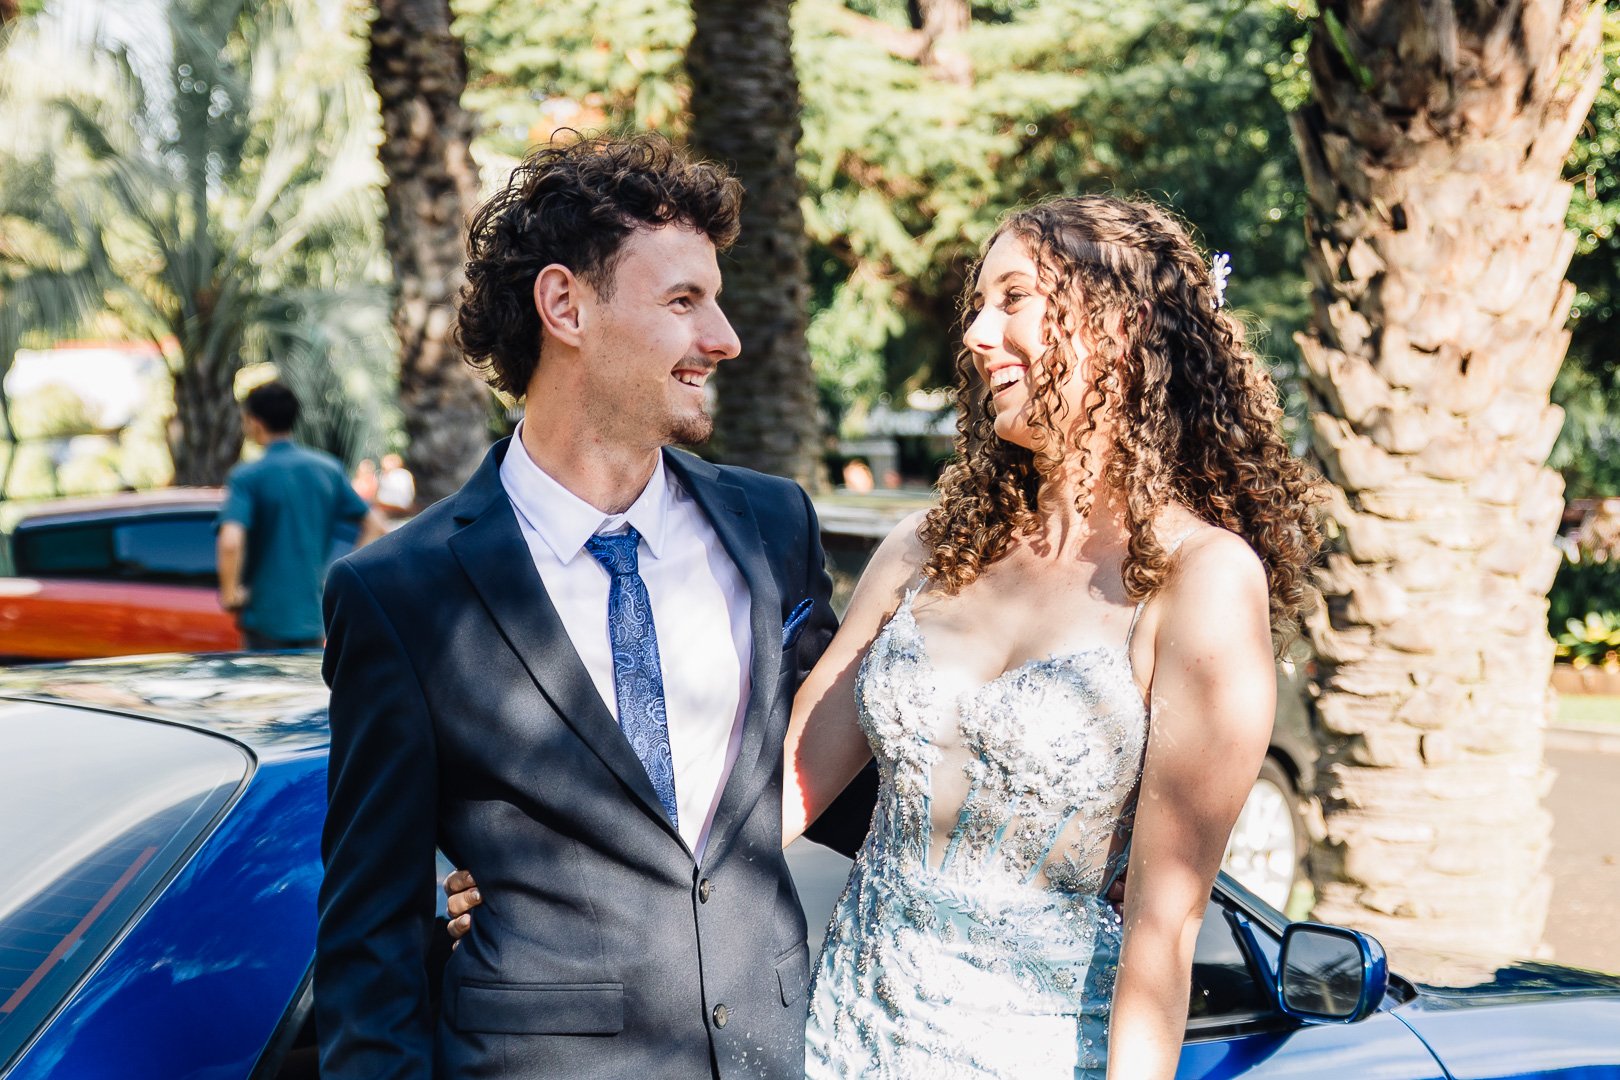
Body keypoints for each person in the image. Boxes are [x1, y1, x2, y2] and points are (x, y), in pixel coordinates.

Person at [448, 195, 1324, 1076]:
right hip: (843, 1040)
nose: (978, 333)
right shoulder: (926, 549)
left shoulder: (1202, 580)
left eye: (1013, 299)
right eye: (978, 306)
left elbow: (1164, 930)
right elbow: (774, 788)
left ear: (1124, 327)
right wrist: (566, 881)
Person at [315, 133, 872, 1080]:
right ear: (565, 305)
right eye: (684, 301)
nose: (724, 339)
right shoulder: (399, 593)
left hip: (774, 1052)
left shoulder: (775, 524)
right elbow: (369, 941)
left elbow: (833, 787)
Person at [216, 381, 387, 650]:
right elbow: (376, 525)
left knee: (267, 692)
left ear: (254, 422)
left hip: (265, 618)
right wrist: (338, 576)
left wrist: (230, 594)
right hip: (312, 615)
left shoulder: (247, 476)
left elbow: (230, 542)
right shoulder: (328, 469)